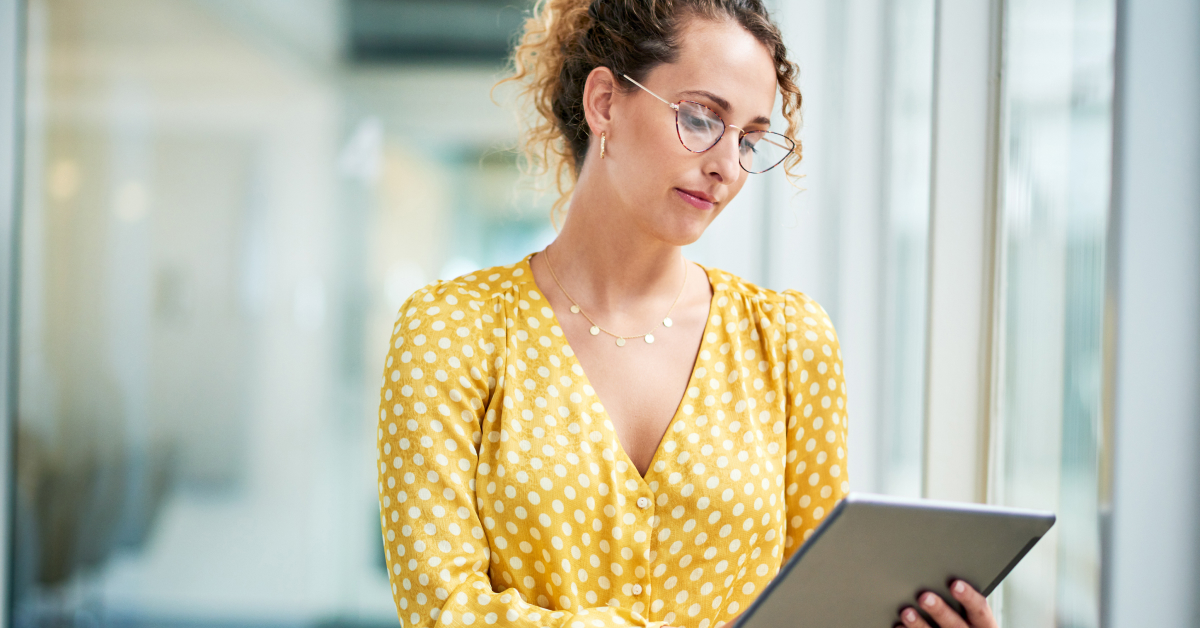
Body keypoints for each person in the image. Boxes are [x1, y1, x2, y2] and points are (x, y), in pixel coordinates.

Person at [375, 1, 998, 627]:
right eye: (700, 118)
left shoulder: (787, 342)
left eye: (749, 139)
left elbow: (823, 610)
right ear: (604, 103)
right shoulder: (451, 332)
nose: (727, 166)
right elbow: (441, 609)